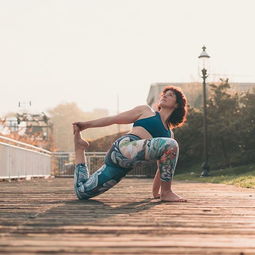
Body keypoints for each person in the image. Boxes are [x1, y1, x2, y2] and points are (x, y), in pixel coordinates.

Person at [72, 86, 188, 202]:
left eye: (170, 95)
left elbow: (161, 168)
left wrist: (155, 192)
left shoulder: (169, 135)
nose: (165, 95)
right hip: (123, 148)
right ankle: (167, 192)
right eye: (164, 94)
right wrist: (86, 125)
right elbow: (114, 119)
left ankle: (79, 148)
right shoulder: (146, 111)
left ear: (177, 105)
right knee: (171, 145)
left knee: (82, 192)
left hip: (120, 166)